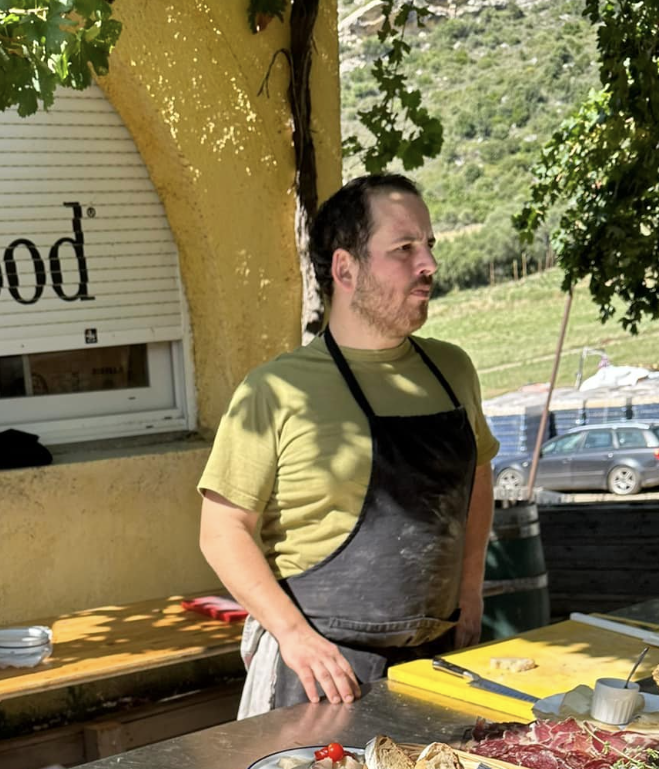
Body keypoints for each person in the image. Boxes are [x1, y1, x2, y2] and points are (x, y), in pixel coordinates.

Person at [198, 173, 500, 717]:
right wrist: (292, 635)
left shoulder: (453, 370)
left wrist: (471, 588)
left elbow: (478, 476)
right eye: (404, 248)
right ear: (345, 269)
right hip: (321, 674)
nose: (428, 264)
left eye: (429, 245)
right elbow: (222, 532)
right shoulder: (275, 390)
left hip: (438, 664)